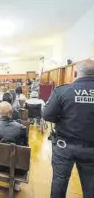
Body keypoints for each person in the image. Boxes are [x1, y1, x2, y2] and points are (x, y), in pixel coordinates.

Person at [43, 59, 94, 198]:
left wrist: (61, 119)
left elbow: (47, 115)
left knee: (59, 181)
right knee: (91, 184)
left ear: (75, 73)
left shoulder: (63, 90)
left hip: (64, 145)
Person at [0, 102, 28, 192]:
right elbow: (25, 148)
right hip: (14, 168)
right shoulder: (21, 128)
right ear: (11, 112)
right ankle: (16, 183)